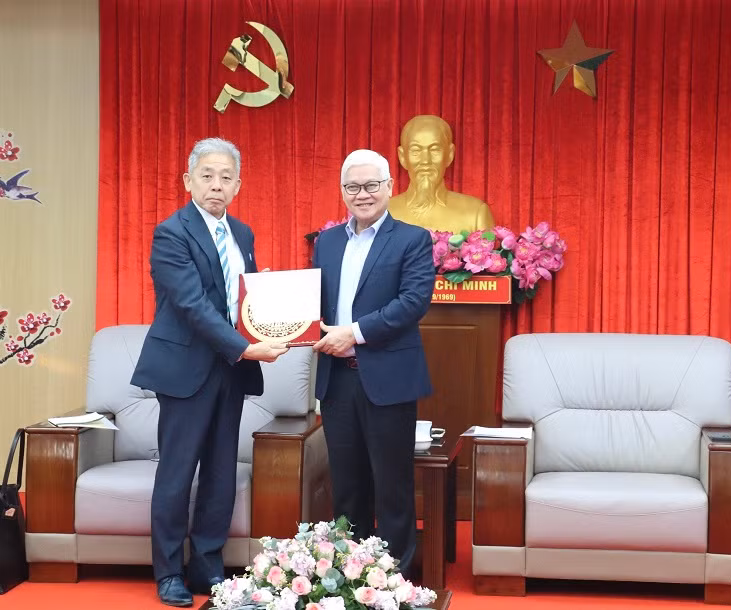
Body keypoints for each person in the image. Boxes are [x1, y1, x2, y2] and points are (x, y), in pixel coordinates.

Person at [131, 137, 288, 607]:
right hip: (186, 369)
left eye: (225, 178)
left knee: (221, 472)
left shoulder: (243, 234)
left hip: (230, 370)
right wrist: (247, 347)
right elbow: (193, 307)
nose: (216, 186)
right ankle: (168, 573)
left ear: (238, 185)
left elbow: (245, 299)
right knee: (177, 474)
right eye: (207, 176)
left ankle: (207, 565)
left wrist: (276, 316)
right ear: (188, 181)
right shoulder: (171, 232)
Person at [312, 149, 435, 575]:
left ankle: (393, 581)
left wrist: (356, 332)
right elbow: (316, 306)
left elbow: (413, 303)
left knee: (393, 486)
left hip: (388, 378)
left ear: (389, 187)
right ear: (342, 190)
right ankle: (349, 576)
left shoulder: (412, 239)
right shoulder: (326, 241)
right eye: (352, 186)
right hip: (337, 381)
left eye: (370, 185)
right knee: (346, 486)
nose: (361, 194)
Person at [389, 114, 495, 233]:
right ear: (402, 157)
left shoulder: (475, 213)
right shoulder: (383, 213)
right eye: (416, 150)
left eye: (434, 149)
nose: (425, 161)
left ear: (449, 155)